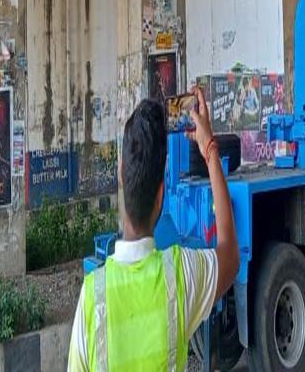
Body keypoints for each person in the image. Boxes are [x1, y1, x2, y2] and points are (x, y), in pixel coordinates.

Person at [68, 91, 239, 371]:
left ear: (121, 175)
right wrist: (209, 150)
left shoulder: (91, 297)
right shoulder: (179, 275)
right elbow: (230, 256)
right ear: (161, 194)